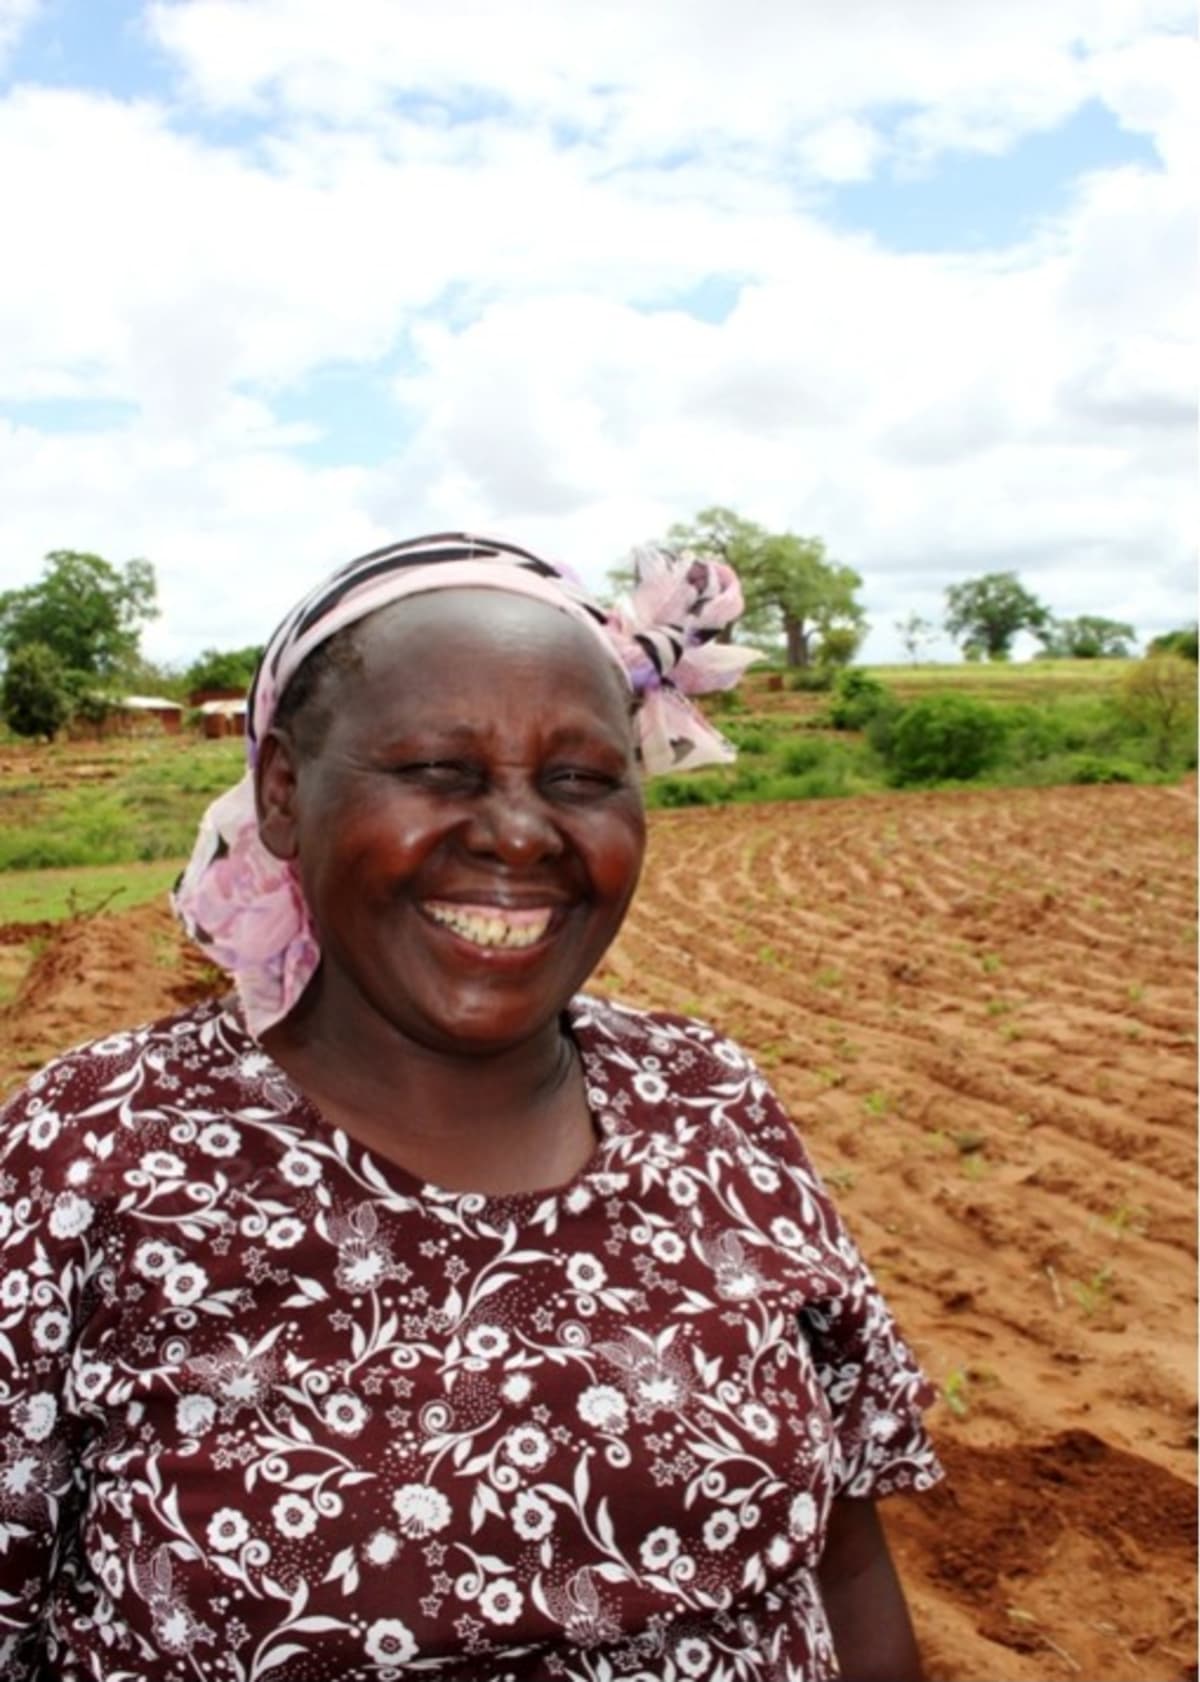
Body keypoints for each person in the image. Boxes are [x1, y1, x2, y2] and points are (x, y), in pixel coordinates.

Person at [0, 533, 941, 1682]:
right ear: (285, 792)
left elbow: (842, 1564)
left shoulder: (708, 1097)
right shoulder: (92, 1150)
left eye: (581, 777)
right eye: (440, 770)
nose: (518, 830)